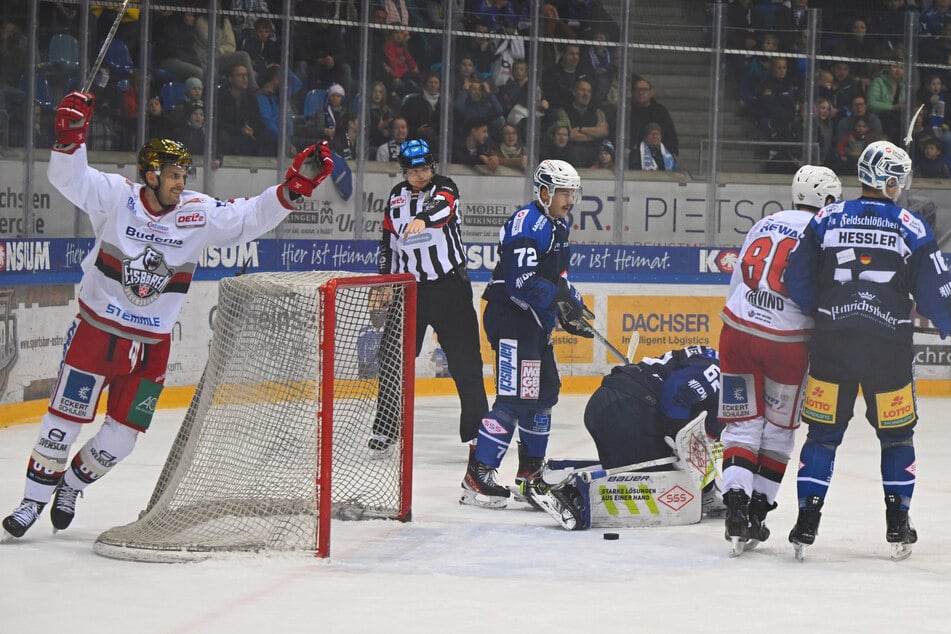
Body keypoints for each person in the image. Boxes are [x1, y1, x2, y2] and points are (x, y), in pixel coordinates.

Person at [1, 90, 334, 541]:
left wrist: (294, 187)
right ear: (151, 173)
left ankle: (72, 486)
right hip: (96, 334)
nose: (181, 182)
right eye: (174, 174)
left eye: (184, 175)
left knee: (123, 437)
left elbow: (249, 218)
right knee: (63, 421)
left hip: (152, 347)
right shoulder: (116, 198)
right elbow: (69, 179)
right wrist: (69, 136)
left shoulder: (197, 213)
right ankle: (29, 502)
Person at [784, 140, 951, 561]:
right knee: (897, 438)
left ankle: (807, 521)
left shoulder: (825, 217)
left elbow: (795, 277)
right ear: (890, 180)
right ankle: (898, 524)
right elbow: (935, 292)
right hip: (887, 350)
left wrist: (822, 313)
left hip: (832, 346)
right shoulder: (911, 226)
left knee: (822, 435)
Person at [718, 165, 842, 556]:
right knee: (777, 429)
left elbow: (738, 280)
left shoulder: (765, 223)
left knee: (741, 424)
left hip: (737, 331)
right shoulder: (824, 232)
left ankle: (735, 505)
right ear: (825, 200)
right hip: (786, 342)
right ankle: (757, 511)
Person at [460, 159, 593, 509]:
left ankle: (529, 475)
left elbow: (554, 279)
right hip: (510, 319)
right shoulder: (527, 225)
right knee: (514, 398)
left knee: (543, 393)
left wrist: (568, 307)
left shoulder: (557, 225)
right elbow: (522, 285)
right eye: (564, 192)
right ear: (544, 191)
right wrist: (561, 299)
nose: (569, 199)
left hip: (532, 323)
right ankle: (478, 475)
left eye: (572, 192)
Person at [369, 139, 488, 453]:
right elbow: (389, 244)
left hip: (450, 289)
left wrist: (423, 217)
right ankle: (385, 429)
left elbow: (445, 206)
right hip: (410, 291)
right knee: (392, 360)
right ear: (404, 171)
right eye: (413, 170)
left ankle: (478, 431)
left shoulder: (445, 187)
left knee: (466, 363)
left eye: (425, 168)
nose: (421, 174)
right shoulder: (396, 197)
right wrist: (384, 285)